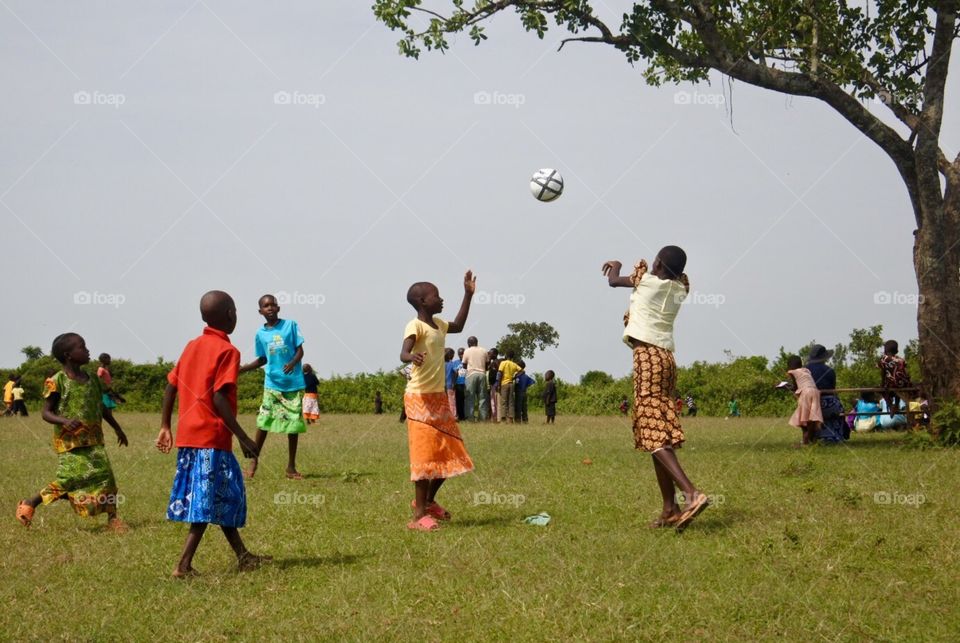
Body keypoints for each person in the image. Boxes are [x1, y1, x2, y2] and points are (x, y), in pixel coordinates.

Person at [156, 290, 269, 578]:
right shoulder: (228, 352)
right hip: (212, 438)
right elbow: (219, 398)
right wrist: (244, 438)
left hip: (189, 437)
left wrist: (166, 426)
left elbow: (171, 387)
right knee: (207, 503)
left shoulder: (192, 346)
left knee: (221, 496)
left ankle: (243, 556)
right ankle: (183, 565)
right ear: (230, 314)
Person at [602, 246, 710, 532]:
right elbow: (678, 274)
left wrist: (615, 263)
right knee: (656, 432)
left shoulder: (647, 281)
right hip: (667, 359)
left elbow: (613, 280)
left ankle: (691, 494)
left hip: (648, 357)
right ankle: (669, 508)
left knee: (651, 430)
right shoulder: (679, 289)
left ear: (658, 264)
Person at [16, 333, 128, 531]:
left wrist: (118, 428)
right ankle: (30, 502)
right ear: (68, 355)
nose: (87, 350)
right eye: (82, 347)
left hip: (94, 439)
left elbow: (101, 407)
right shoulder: (56, 381)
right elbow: (46, 413)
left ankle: (113, 519)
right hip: (70, 443)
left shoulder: (93, 378)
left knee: (106, 477)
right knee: (70, 480)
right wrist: (65, 421)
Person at [399, 271, 476, 531]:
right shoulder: (415, 326)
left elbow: (459, 325)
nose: (441, 299)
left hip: (438, 399)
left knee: (449, 452)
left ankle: (429, 502)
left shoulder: (439, 324)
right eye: (436, 296)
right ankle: (418, 516)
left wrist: (468, 294)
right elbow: (403, 352)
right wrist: (412, 358)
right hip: (418, 398)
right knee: (425, 457)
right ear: (422, 301)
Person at [239, 294, 306, 480]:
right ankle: (253, 462)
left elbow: (300, 350)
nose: (269, 308)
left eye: (272, 305)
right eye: (265, 306)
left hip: (291, 384)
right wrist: (243, 369)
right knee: (263, 422)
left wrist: (292, 363)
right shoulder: (261, 334)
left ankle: (291, 467)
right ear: (260, 311)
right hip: (272, 383)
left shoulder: (290, 326)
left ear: (278, 308)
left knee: (293, 425)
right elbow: (262, 359)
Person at [806, 344, 846, 442]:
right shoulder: (829, 370)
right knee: (840, 409)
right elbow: (832, 389)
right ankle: (835, 436)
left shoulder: (804, 370)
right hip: (829, 404)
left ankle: (813, 437)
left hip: (809, 404)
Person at [786, 355, 823, 445]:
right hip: (815, 392)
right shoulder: (806, 371)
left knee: (804, 419)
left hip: (806, 393)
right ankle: (811, 440)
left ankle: (806, 441)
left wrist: (784, 386)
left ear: (790, 366)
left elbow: (795, 387)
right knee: (812, 418)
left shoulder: (792, 372)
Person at [878, 339, 912, 418]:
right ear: (896, 350)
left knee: (882, 389)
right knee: (897, 388)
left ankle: (890, 405)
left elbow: (883, 373)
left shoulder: (883, 359)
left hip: (891, 384)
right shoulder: (901, 360)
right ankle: (896, 404)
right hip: (903, 383)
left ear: (885, 350)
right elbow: (904, 371)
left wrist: (882, 384)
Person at [462, 336, 490, 421]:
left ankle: (470, 418)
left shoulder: (467, 351)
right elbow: (487, 363)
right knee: (482, 397)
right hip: (482, 374)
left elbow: (464, 364)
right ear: (477, 342)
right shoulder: (484, 350)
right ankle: (482, 418)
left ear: (469, 343)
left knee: (470, 397)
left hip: (471, 374)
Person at [496, 351, 521, 423]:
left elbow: (500, 373)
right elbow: (522, 371)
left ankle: (503, 418)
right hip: (511, 384)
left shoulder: (503, 363)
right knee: (511, 402)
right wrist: (514, 377)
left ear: (506, 355)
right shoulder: (514, 364)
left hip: (504, 384)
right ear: (512, 357)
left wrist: (498, 384)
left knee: (503, 401)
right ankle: (511, 419)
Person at [487, 348, 500, 421]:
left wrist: (497, 383)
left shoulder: (496, 362)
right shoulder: (492, 363)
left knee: (494, 402)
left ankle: (495, 417)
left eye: (490, 353)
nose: (489, 354)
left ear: (494, 354)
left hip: (495, 384)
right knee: (492, 401)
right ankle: (493, 416)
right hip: (492, 385)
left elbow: (498, 373)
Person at [444, 348, 458, 415]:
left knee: (444, 401)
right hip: (450, 385)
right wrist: (454, 382)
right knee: (451, 401)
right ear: (450, 356)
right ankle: (453, 415)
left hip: (441, 386)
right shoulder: (451, 364)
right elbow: (456, 372)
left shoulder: (440, 364)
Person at [454, 347, 466, 420]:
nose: (461, 355)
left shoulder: (468, 362)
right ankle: (460, 416)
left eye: (462, 354)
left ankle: (466, 415)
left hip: (466, 383)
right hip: (458, 384)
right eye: (459, 354)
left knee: (466, 400)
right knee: (458, 401)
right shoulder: (455, 362)